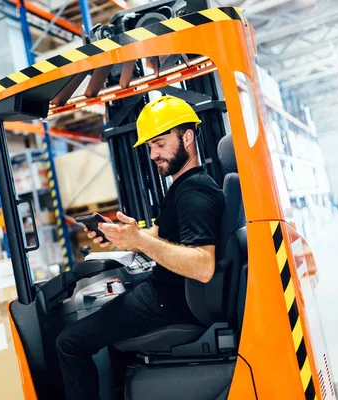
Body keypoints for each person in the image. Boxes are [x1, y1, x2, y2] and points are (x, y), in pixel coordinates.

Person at [55, 95, 225, 400]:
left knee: (68, 342)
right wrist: (121, 237)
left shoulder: (194, 193)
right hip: (169, 294)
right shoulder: (183, 186)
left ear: (187, 137)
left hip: (169, 302)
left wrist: (140, 241)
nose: (153, 154)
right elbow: (161, 236)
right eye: (150, 147)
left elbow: (203, 265)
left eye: (159, 143)